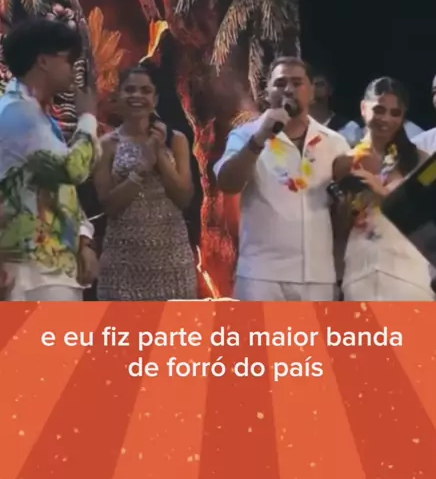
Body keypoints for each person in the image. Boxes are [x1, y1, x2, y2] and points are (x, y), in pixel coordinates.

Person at [214, 56, 350, 301]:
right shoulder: (246, 135)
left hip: (317, 276)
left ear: (311, 92)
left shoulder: (335, 142)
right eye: (280, 83)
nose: (288, 89)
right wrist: (259, 140)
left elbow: (345, 209)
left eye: (297, 83)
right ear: (267, 92)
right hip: (261, 276)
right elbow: (227, 183)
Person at [0, 18, 98, 301]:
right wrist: (88, 118)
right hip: (33, 272)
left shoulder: (35, 115)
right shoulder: (18, 114)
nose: (73, 70)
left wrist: (83, 238)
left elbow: (57, 186)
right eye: (68, 60)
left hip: (49, 268)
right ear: (43, 61)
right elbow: (72, 170)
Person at [94, 65, 197, 301]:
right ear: (118, 96)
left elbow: (184, 198)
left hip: (172, 263)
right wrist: (140, 171)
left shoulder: (176, 140)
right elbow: (108, 206)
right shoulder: (106, 144)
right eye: (130, 90)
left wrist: (158, 154)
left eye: (145, 90)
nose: (137, 96)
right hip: (122, 266)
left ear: (155, 99)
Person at [332, 77, 434, 301]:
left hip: (406, 272)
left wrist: (384, 194)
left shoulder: (421, 160)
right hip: (360, 269)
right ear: (363, 108)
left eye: (395, 113)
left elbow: (429, 222)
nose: (386, 118)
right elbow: (339, 230)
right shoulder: (344, 162)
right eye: (379, 109)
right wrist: (344, 211)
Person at [309, 69, 362, 146]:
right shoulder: (295, 128)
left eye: (319, 84)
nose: (313, 89)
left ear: (330, 90)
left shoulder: (349, 129)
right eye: (310, 85)